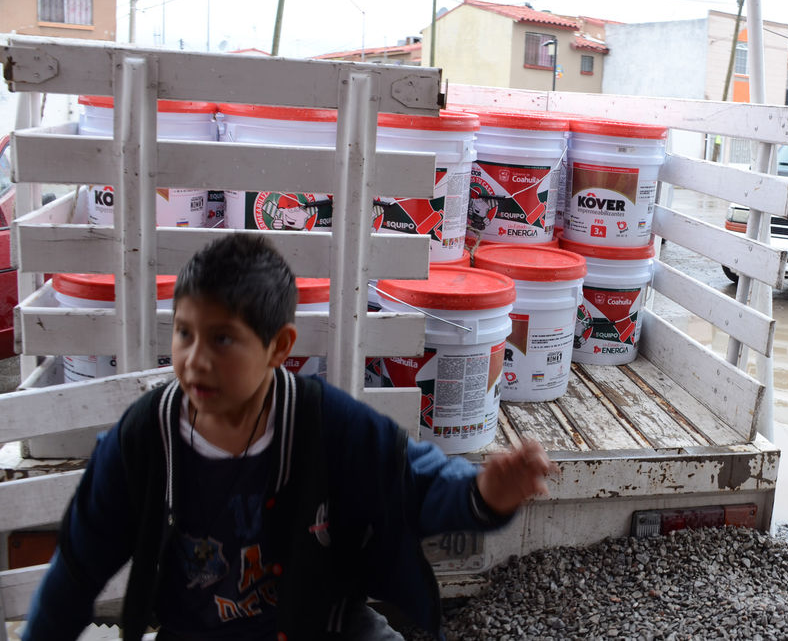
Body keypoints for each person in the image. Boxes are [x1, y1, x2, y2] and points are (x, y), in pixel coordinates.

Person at [22, 233, 557, 640]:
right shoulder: (144, 442)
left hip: (327, 623)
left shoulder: (326, 423)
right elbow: (76, 569)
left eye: (223, 339)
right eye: (184, 332)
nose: (195, 359)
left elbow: (413, 481)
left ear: (279, 347)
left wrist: (483, 493)